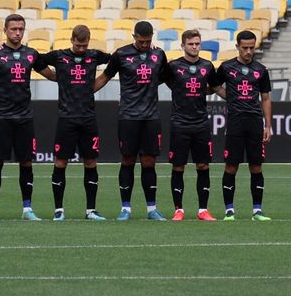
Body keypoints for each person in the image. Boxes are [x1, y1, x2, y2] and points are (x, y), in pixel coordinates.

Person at [39, 24, 111, 220]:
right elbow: (34, 60)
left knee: (91, 161)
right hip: (66, 118)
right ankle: (59, 210)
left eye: (84, 45)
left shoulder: (94, 55)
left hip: (88, 117)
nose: (81, 49)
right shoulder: (59, 56)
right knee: (61, 162)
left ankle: (90, 210)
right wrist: (54, 77)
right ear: (71, 40)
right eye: (78, 45)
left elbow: (119, 59)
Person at [0, 13, 42, 221]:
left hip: (24, 117)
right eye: (13, 29)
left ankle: (27, 209)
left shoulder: (31, 54)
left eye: (21, 29)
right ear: (5, 30)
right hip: (2, 116)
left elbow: (50, 72)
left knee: (26, 163)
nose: (17, 32)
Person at [107, 20, 173, 220]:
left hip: (151, 116)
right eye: (141, 41)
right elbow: (105, 76)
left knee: (149, 162)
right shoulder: (121, 54)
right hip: (128, 116)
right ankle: (125, 208)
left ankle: (151, 209)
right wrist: (86, 92)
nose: (145, 45)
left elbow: (167, 77)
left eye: (148, 41)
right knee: (127, 160)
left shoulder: (159, 54)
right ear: (134, 36)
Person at [210, 29, 273, 221]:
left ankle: (257, 211)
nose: (248, 51)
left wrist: (267, 125)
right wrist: (230, 97)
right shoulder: (227, 67)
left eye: (251, 48)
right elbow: (214, 85)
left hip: (254, 121)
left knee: (256, 166)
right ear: (237, 47)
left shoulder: (261, 70)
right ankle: (229, 210)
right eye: (244, 48)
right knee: (231, 166)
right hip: (235, 122)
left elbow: (265, 97)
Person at [164, 29, 219, 221]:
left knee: (203, 166)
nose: (194, 47)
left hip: (201, 123)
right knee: (178, 167)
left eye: (197, 43)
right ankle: (178, 209)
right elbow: (168, 82)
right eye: (191, 44)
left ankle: (203, 210)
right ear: (183, 46)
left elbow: (215, 86)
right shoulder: (173, 66)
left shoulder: (208, 66)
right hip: (180, 123)